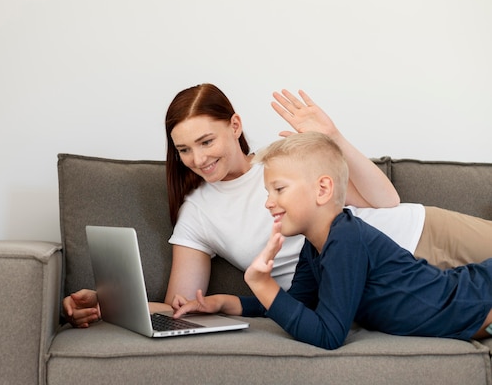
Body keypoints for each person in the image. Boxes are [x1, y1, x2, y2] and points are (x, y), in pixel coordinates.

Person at [63, 83, 492, 328]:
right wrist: (111, 302)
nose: (198, 159)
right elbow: (183, 303)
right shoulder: (198, 213)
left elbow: (386, 201)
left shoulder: (281, 163)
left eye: (207, 141)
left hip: (417, 232)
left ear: (235, 126)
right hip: (366, 290)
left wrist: (334, 138)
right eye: (184, 150)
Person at [171, 132, 492, 350]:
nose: (268, 203)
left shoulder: (345, 240)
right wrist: (226, 303)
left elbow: (328, 335)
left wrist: (263, 284)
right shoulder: (316, 246)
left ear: (323, 190)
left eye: (279, 189)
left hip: (479, 302)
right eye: (268, 192)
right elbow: (298, 302)